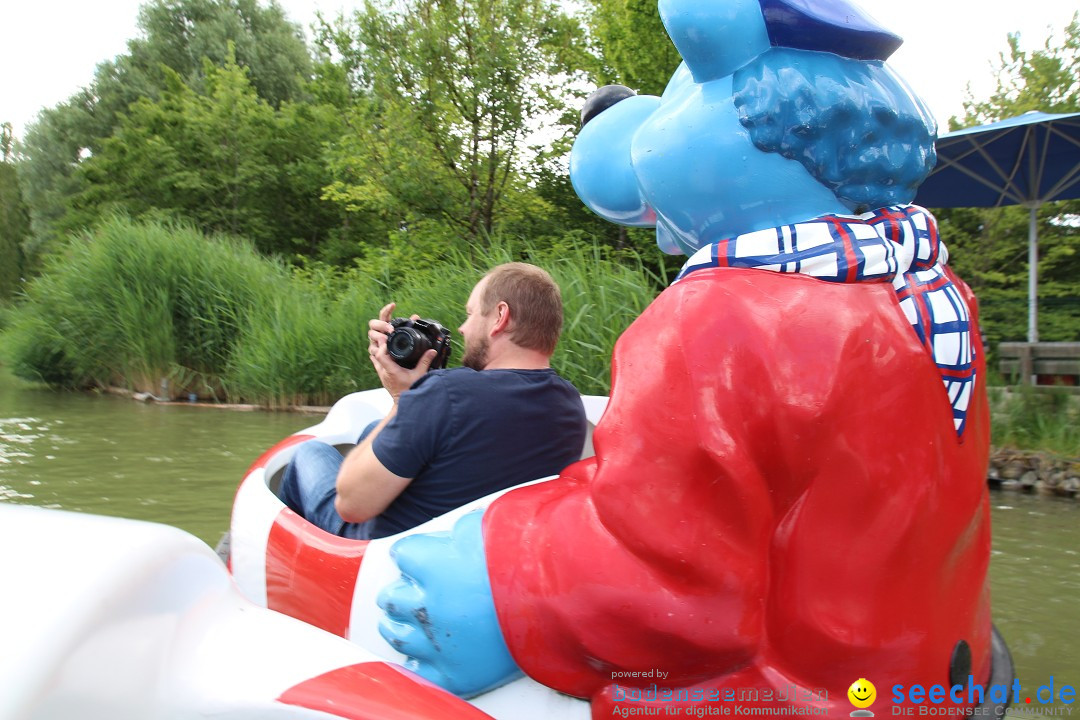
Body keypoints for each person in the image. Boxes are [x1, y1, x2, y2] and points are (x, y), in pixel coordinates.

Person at [278, 262, 587, 540]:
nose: (464, 328)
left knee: (309, 452)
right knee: (372, 428)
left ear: (500, 317)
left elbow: (351, 507)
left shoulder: (445, 394)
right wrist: (419, 397)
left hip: (383, 553)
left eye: (470, 314)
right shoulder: (569, 404)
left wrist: (403, 398)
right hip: (487, 549)